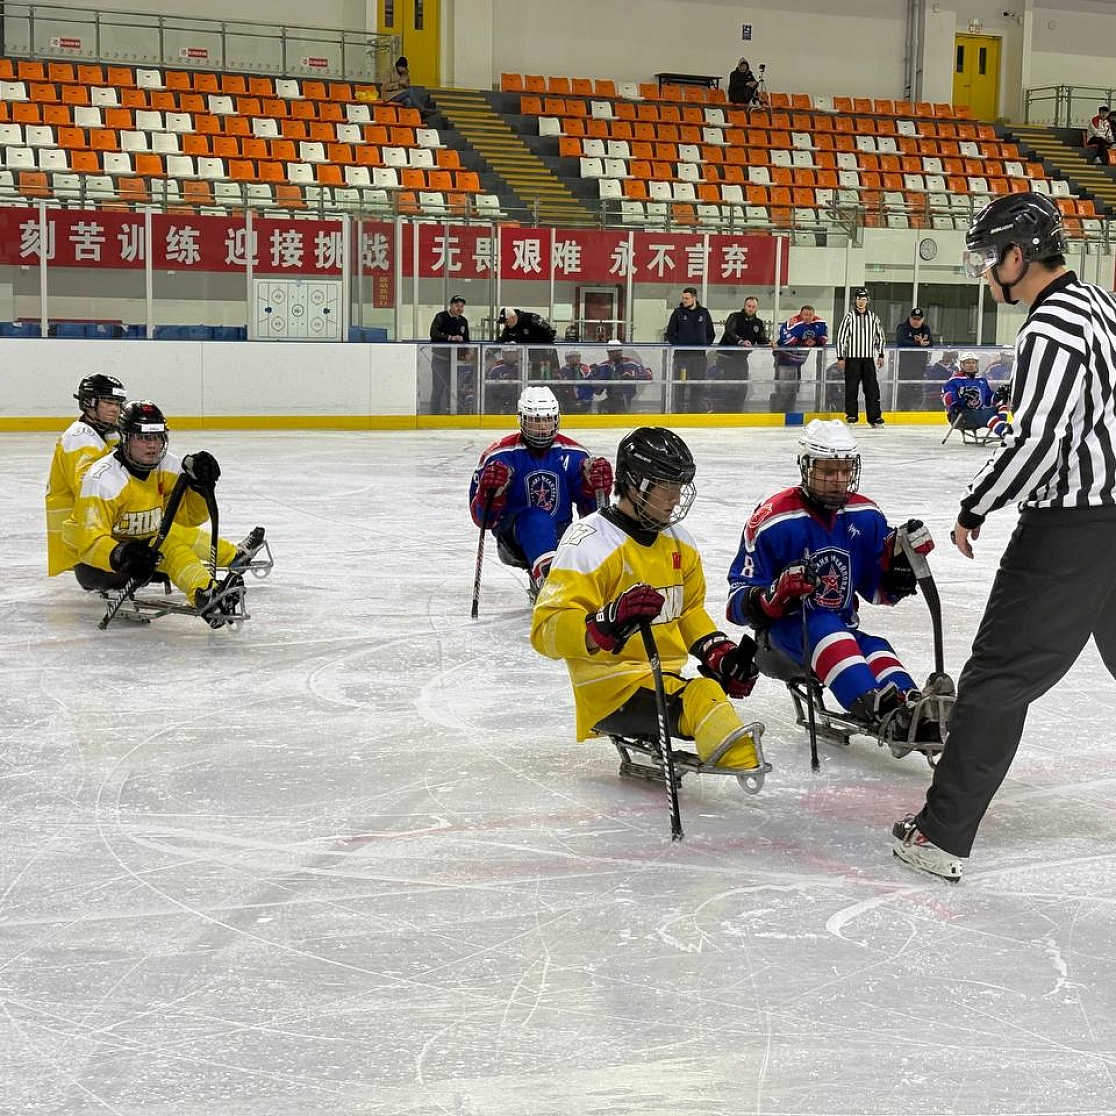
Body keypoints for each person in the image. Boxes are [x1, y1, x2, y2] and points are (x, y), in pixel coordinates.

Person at [892, 191, 1116, 881]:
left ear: (1021, 256)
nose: (987, 275)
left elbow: (1039, 440)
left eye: (991, 260)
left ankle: (940, 834)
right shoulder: (1104, 306)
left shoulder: (1050, 329)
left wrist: (976, 503)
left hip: (1071, 528)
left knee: (995, 677)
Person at [530, 426, 768, 779]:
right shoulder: (589, 543)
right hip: (608, 690)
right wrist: (605, 624)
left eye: (678, 487)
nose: (675, 498)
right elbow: (545, 631)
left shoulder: (679, 543)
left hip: (663, 678)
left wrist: (719, 654)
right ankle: (737, 754)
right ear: (634, 483)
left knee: (708, 688)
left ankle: (735, 748)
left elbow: (688, 612)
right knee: (702, 695)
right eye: (666, 487)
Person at [727, 419, 938, 741]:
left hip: (841, 634)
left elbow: (878, 592)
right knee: (825, 628)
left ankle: (913, 707)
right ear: (806, 467)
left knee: (874, 647)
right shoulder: (773, 519)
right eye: (827, 471)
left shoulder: (866, 515)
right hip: (780, 640)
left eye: (844, 470)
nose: (838, 481)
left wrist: (901, 568)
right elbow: (735, 603)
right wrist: (773, 596)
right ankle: (883, 713)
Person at [47, 375, 264, 579]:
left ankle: (233, 556)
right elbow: (89, 486)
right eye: (108, 403)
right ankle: (232, 556)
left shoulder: (109, 433)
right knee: (163, 530)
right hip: (89, 536)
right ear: (88, 403)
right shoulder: (79, 437)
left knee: (164, 528)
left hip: (106, 525)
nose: (115, 409)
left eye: (118, 403)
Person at [67, 400, 246, 628]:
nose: (152, 445)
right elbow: (87, 543)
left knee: (172, 544)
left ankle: (207, 594)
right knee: (166, 544)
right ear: (125, 439)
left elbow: (189, 518)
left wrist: (200, 488)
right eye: (143, 438)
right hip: (99, 565)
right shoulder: (103, 479)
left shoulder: (167, 466)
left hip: (146, 548)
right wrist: (121, 554)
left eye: (157, 437)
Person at [469, 386, 613, 596]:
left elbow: (593, 517)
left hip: (563, 534)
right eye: (534, 420)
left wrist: (595, 488)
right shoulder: (498, 456)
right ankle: (550, 583)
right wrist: (491, 492)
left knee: (580, 532)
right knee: (536, 516)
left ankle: (553, 572)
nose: (542, 428)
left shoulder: (575, 454)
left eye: (547, 419)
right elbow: (483, 520)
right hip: (514, 537)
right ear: (521, 420)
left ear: (557, 419)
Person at [835, 286, 887, 426]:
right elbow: (841, 337)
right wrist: (840, 357)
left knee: (872, 388)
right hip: (852, 359)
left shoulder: (873, 317)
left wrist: (881, 354)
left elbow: (880, 337)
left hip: (868, 359)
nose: (861, 302)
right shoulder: (849, 317)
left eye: (863, 299)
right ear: (855, 300)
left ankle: (874, 417)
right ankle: (851, 415)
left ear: (867, 300)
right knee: (851, 388)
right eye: (858, 299)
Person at [665, 287, 715, 413]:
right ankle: (679, 412)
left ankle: (694, 412)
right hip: (682, 357)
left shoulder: (704, 312)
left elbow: (711, 334)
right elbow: (670, 334)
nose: (684, 300)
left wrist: (704, 346)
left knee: (697, 385)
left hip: (699, 358)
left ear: (694, 298)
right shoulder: (678, 313)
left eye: (687, 298)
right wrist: (680, 346)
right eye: (683, 298)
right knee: (680, 385)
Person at [940, 351, 1009, 442]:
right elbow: (946, 401)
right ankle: (1005, 433)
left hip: (977, 414)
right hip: (961, 416)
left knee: (1002, 407)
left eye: (974, 362)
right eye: (968, 362)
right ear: (962, 365)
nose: (971, 365)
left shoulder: (981, 381)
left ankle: (1003, 427)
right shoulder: (954, 380)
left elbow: (989, 401)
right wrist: (959, 393)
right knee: (987, 414)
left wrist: (998, 394)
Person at [716, 296, 770, 410]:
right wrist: (740, 341)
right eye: (749, 306)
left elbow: (761, 339)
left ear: (757, 308)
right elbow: (729, 332)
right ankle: (725, 409)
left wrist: (770, 343)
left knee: (741, 384)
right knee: (728, 385)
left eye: (753, 307)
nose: (751, 309)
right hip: (725, 358)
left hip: (741, 359)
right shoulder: (735, 317)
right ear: (744, 306)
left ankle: (737, 408)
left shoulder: (758, 323)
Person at [772, 304, 827, 414]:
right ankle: (779, 414)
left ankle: (789, 413)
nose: (808, 317)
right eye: (805, 314)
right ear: (800, 314)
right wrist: (803, 342)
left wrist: (815, 341)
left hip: (798, 362)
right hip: (784, 360)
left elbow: (824, 338)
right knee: (784, 389)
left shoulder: (818, 323)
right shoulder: (793, 322)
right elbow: (785, 341)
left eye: (810, 314)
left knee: (793, 389)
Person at [428, 294, 469, 416]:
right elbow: (434, 333)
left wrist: (466, 351)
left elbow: (466, 339)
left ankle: (450, 413)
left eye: (462, 306)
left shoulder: (463, 321)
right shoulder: (441, 317)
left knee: (453, 389)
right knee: (438, 388)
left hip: (455, 362)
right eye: (457, 305)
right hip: (440, 360)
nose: (459, 308)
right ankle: (434, 415)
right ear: (451, 305)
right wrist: (450, 337)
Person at [591, 339, 652, 414]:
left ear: (620, 351)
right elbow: (597, 391)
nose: (613, 354)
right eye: (611, 352)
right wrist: (593, 374)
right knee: (602, 406)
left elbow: (648, 375)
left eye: (616, 351)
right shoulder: (605, 366)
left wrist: (634, 376)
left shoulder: (632, 363)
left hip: (626, 399)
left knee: (620, 411)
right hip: (611, 399)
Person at [498, 307, 558, 378]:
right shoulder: (508, 329)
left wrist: (546, 349)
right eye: (504, 323)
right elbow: (501, 341)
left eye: (506, 321)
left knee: (552, 376)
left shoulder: (532, 319)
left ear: (513, 317)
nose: (505, 325)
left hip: (545, 352)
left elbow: (550, 332)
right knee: (531, 376)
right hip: (529, 356)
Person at [895, 307, 934, 410]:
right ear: (910, 318)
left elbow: (930, 342)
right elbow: (901, 342)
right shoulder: (903, 327)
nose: (916, 321)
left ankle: (917, 409)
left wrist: (924, 343)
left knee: (917, 390)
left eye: (919, 319)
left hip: (920, 368)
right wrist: (917, 343)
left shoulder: (925, 328)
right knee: (904, 390)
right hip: (904, 368)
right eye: (914, 319)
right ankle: (902, 410)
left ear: (923, 319)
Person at [482, 346, 522, 414]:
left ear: (517, 354)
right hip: (499, 400)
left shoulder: (521, 368)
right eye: (508, 353)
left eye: (513, 353)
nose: (510, 356)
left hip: (516, 399)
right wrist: (501, 382)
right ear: (503, 354)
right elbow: (489, 388)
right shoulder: (495, 369)